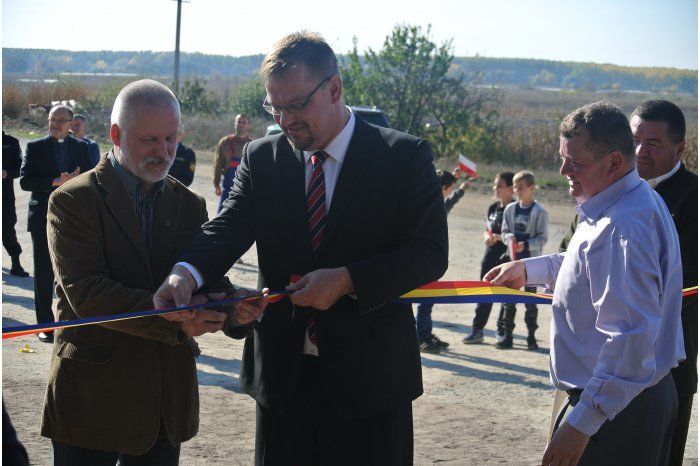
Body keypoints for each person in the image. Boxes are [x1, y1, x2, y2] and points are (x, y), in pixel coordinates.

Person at [154, 32, 448, 465]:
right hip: (283, 381)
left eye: (295, 105)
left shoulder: (403, 157)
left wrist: (348, 280)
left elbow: (428, 253)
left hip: (370, 382)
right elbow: (228, 228)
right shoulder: (261, 157)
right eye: (274, 106)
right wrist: (185, 274)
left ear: (334, 88)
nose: (285, 119)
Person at [41, 79, 266, 465]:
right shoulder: (73, 200)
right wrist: (176, 319)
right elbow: (88, 293)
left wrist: (233, 308)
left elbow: (203, 277)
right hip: (93, 398)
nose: (163, 153)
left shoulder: (189, 204)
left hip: (164, 401)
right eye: (149, 140)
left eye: (171, 139)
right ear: (116, 134)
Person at [486, 101, 684, 466]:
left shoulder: (623, 226)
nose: (562, 171)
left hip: (619, 410)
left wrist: (582, 423)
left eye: (574, 163)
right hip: (623, 401)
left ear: (612, 162)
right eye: (563, 158)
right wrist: (530, 271)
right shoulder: (620, 204)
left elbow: (630, 337)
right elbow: (586, 265)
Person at [631, 99, 697, 466]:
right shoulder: (609, 191)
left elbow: (684, 282)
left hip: (667, 366)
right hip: (607, 363)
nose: (640, 151)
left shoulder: (694, 198)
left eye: (654, 143)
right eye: (634, 139)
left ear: (680, 147)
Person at [20, 105, 91, 343]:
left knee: (71, 272)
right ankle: (44, 326)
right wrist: (55, 181)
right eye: (53, 119)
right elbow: (25, 181)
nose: (56, 124)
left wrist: (76, 180)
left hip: (72, 219)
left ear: (71, 124)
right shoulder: (35, 147)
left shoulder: (82, 148)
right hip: (41, 216)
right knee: (42, 273)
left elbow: (92, 178)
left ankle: (68, 323)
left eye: (62, 120)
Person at [416, 168, 467, 353]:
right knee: (426, 299)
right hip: (426, 258)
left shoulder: (424, 196)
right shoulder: (434, 204)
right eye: (450, 188)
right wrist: (460, 191)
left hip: (426, 257)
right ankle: (421, 336)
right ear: (444, 188)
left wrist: (456, 180)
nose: (450, 192)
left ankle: (425, 333)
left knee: (428, 299)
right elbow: (449, 203)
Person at [498, 170, 547, 350]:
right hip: (512, 262)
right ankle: (507, 335)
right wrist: (509, 238)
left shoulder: (539, 212)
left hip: (531, 265)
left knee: (530, 302)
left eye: (521, 188)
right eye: (515, 188)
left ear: (531, 188)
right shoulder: (510, 209)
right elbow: (504, 231)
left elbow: (543, 238)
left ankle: (531, 337)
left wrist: (525, 245)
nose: (517, 191)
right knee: (509, 301)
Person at [463, 171, 514, 345]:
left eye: (499, 185)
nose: (495, 188)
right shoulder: (493, 207)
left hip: (507, 258)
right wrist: (487, 236)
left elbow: (517, 235)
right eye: (495, 185)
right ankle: (477, 330)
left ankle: (503, 331)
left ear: (511, 188)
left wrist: (500, 238)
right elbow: (487, 228)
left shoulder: (516, 209)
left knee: (505, 296)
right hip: (489, 257)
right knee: (484, 292)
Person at [2, 131, 29, 277]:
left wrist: (6, 173)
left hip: (4, 196)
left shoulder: (11, 142)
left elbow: (20, 168)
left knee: (7, 231)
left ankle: (16, 263)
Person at [213, 113, 251, 212]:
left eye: (244, 122)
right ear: (235, 123)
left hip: (245, 187)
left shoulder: (252, 145)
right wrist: (216, 184)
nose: (241, 124)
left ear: (248, 125)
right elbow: (217, 165)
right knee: (222, 212)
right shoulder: (225, 142)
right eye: (239, 122)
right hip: (227, 186)